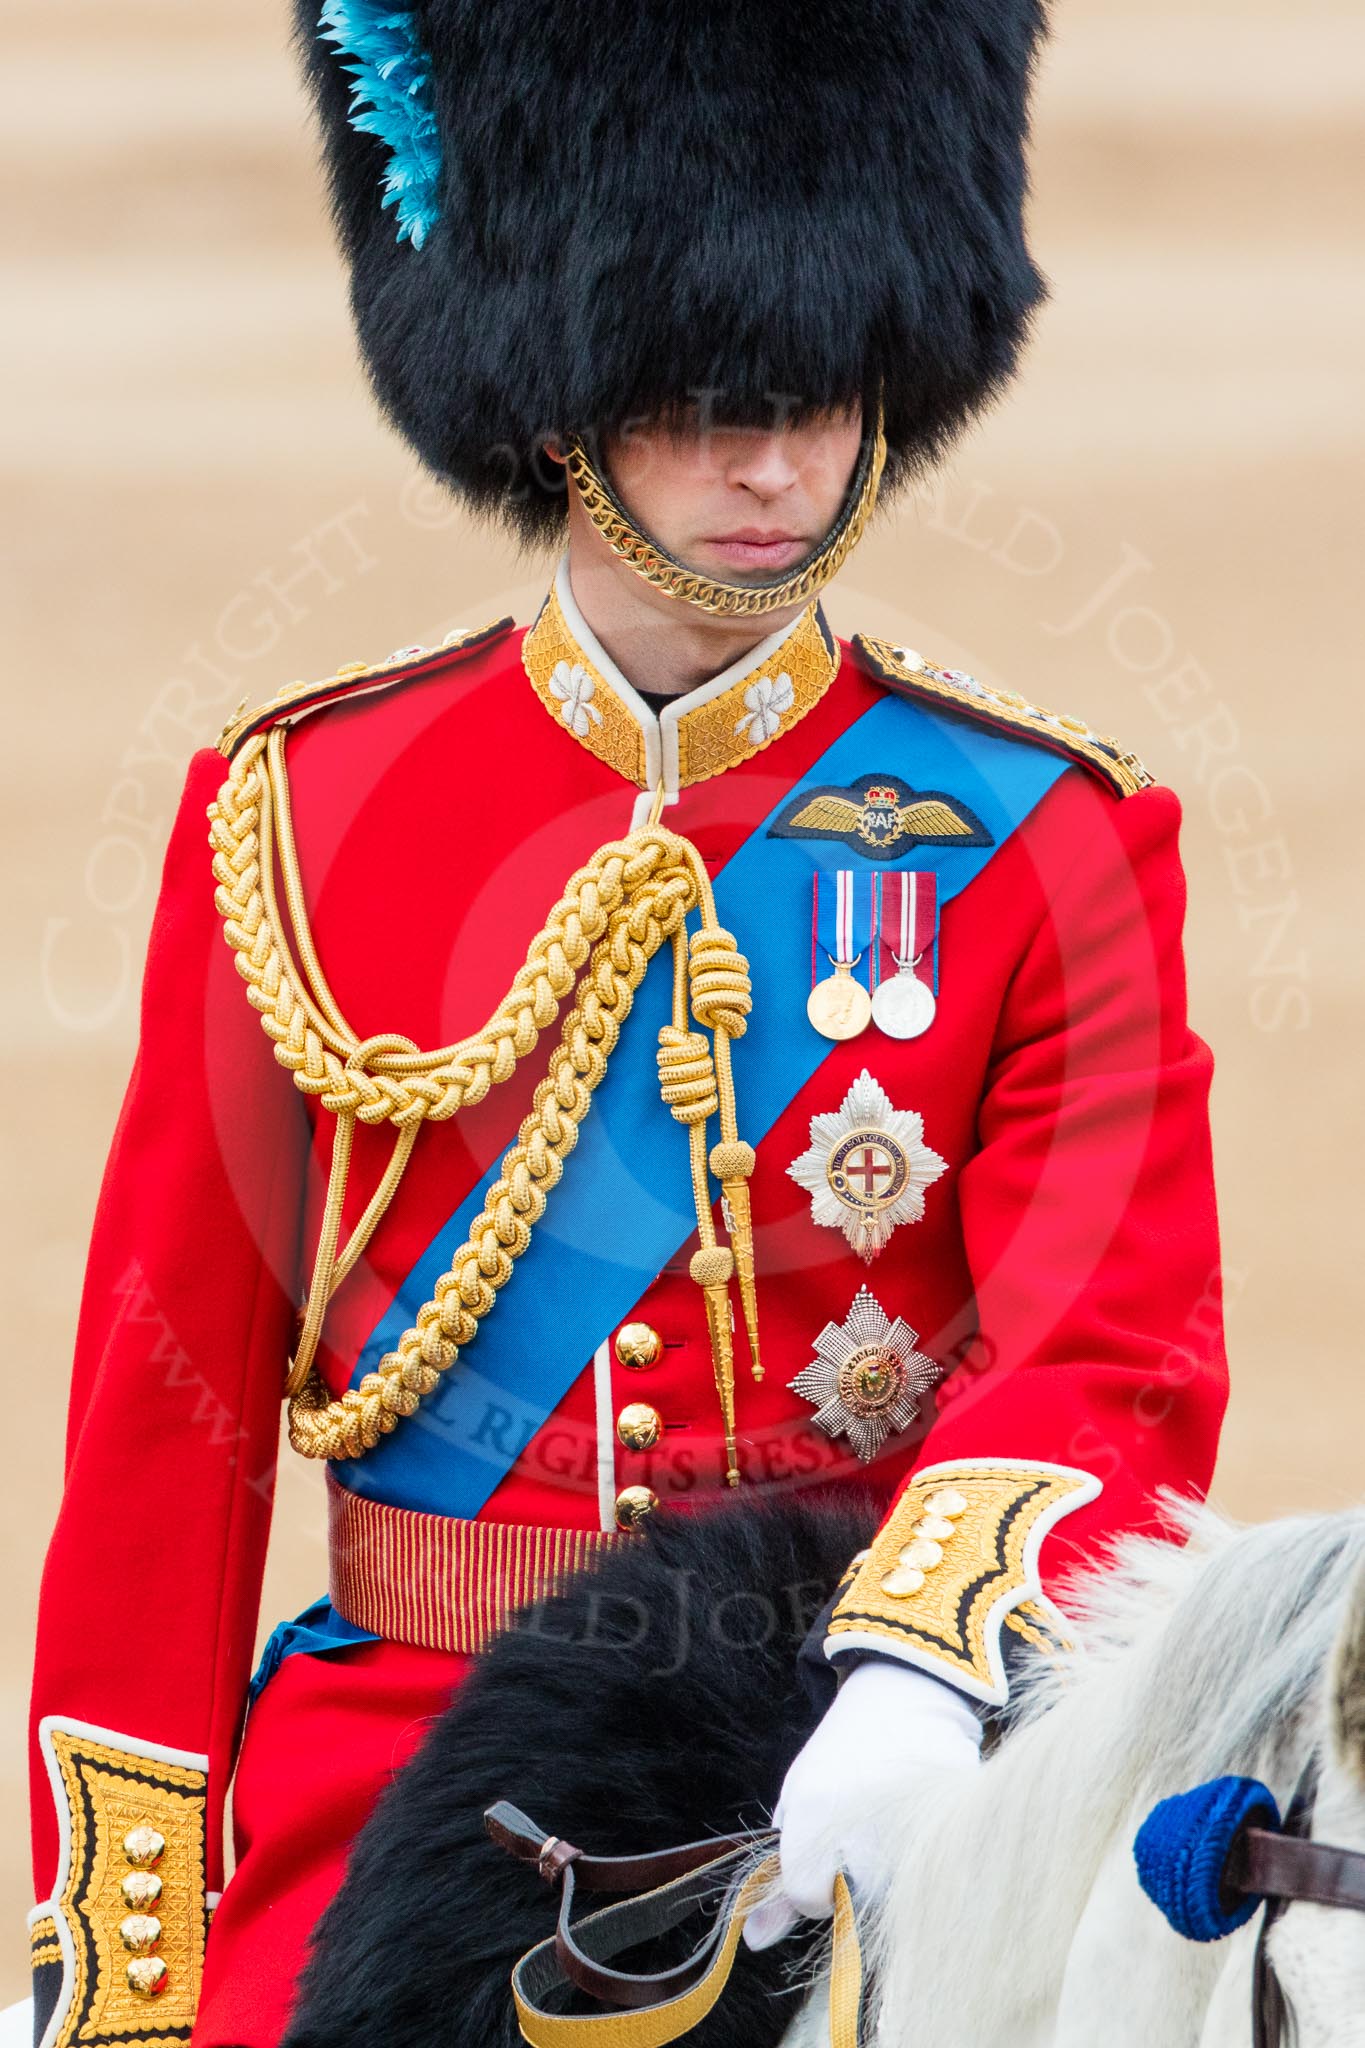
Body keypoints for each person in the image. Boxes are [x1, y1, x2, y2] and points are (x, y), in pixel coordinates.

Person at [25, 3, 1228, 2043]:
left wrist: (921, 1667)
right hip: (400, 1793)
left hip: (867, 1765)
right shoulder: (296, 815)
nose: (771, 459)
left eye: (820, 389)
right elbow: (166, 1438)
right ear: (558, 389)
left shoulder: (1047, 836)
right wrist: (115, 1965)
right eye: (697, 396)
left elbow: (1105, 1346)